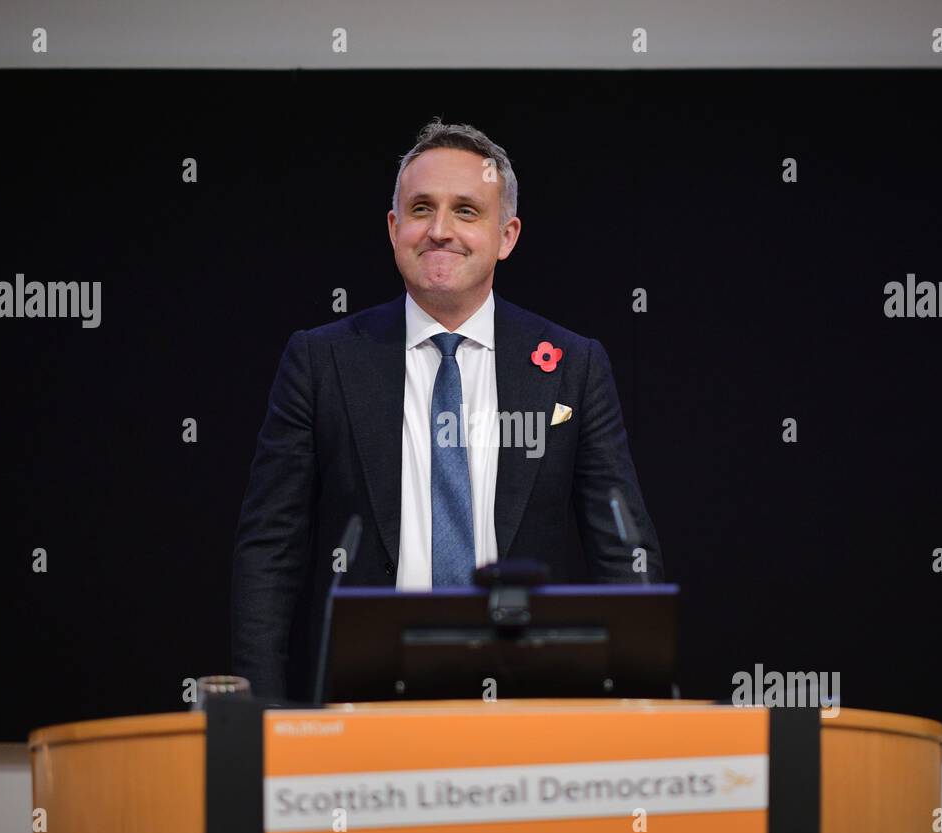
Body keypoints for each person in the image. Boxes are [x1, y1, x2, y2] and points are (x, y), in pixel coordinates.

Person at [231, 119, 663, 700]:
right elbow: (269, 553)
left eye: (466, 211)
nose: (439, 230)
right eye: (420, 209)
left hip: (530, 704)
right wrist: (260, 714)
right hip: (361, 703)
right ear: (393, 228)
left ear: (506, 236)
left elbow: (622, 550)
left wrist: (639, 709)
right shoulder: (320, 361)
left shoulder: (572, 365)